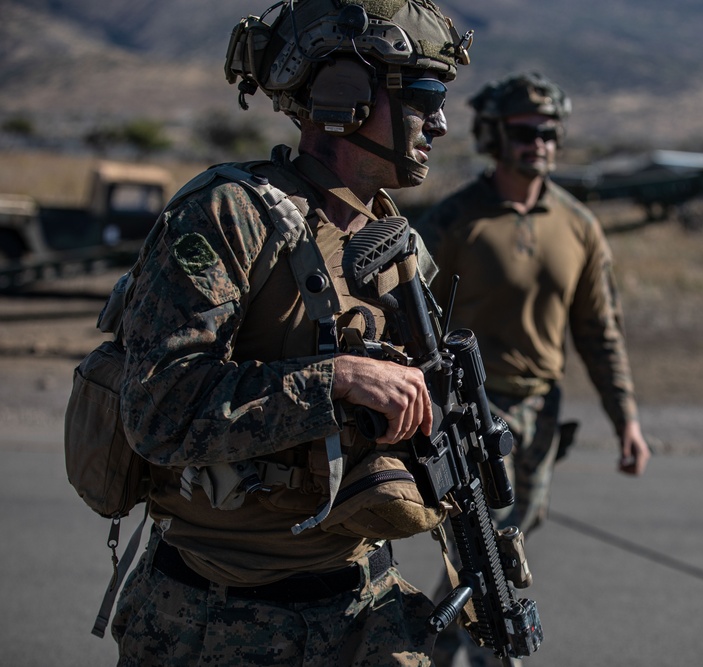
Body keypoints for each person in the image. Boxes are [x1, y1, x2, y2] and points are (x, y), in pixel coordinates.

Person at [110, 2, 473, 665]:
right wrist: (338, 379)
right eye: (424, 95)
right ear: (347, 96)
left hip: (362, 605)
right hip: (215, 618)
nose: (442, 122)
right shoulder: (227, 217)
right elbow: (157, 409)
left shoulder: (397, 244)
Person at [416, 71, 651, 539]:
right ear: (494, 137)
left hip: (542, 409)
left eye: (549, 133)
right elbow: (412, 320)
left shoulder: (579, 226)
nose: (539, 144)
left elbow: (599, 330)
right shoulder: (453, 221)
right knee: (483, 549)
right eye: (525, 133)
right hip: (472, 408)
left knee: (521, 532)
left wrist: (626, 418)